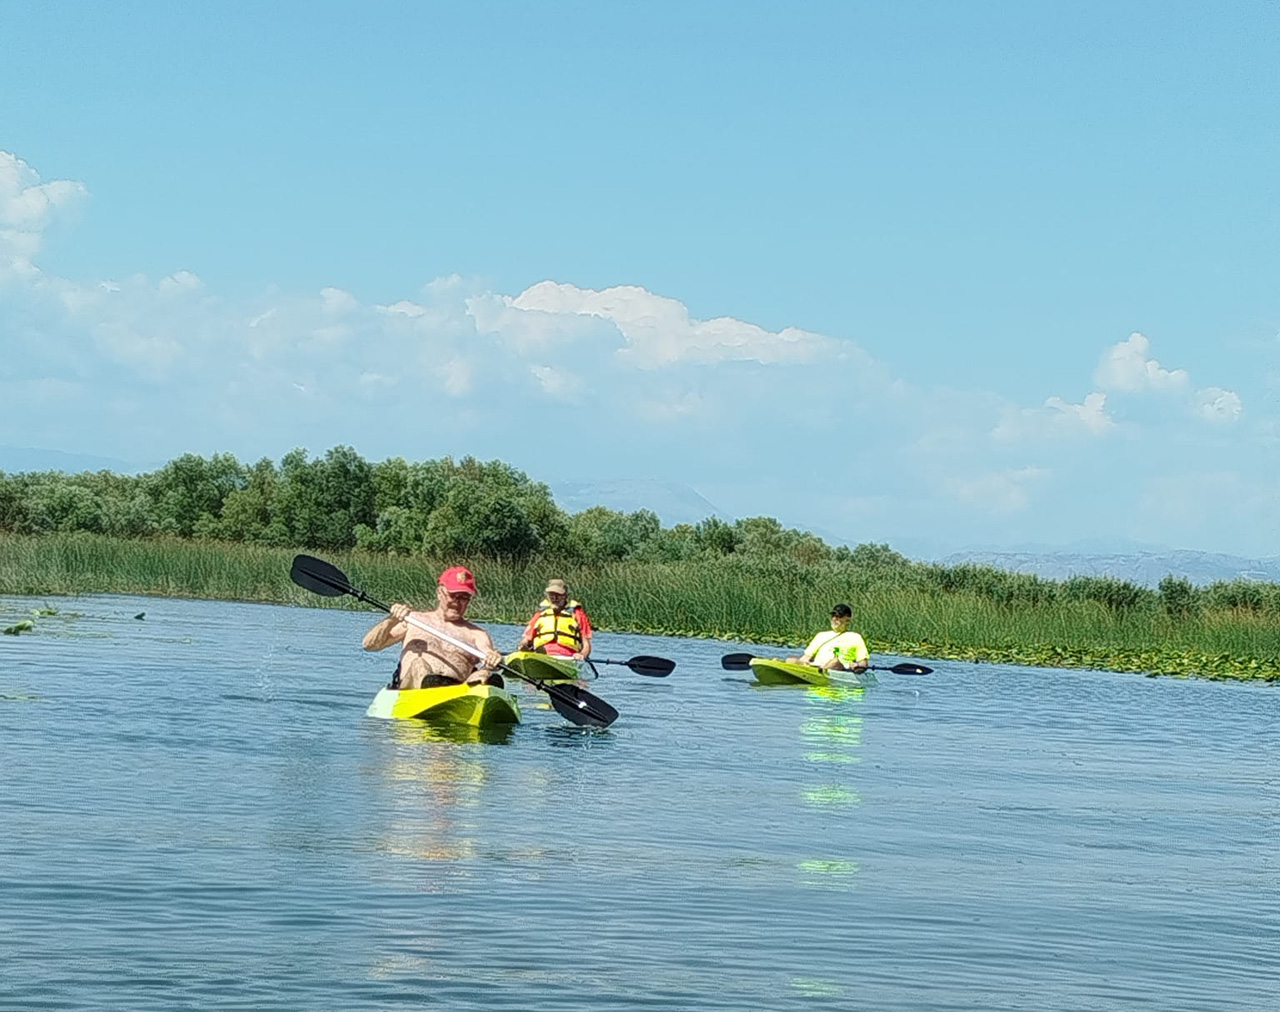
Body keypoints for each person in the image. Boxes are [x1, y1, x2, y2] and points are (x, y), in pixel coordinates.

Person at [362, 565, 505, 689]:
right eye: (453, 595)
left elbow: (490, 657)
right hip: (413, 689)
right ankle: (427, 691)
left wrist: (495, 660)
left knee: (483, 674)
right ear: (439, 593)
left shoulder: (477, 634)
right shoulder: (412, 619)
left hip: (457, 692)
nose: (457, 602)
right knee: (419, 665)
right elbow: (370, 645)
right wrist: (391, 619)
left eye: (463, 597)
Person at [516, 577, 593, 661]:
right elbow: (526, 639)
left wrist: (582, 654)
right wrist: (522, 646)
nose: (554, 598)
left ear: (565, 596)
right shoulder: (540, 614)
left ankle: (542, 657)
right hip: (541, 651)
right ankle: (537, 655)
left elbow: (586, 644)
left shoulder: (577, 613)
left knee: (543, 655)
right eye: (551, 594)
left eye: (558, 594)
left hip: (567, 657)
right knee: (528, 648)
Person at [791, 603, 869, 672]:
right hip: (815, 667)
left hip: (840, 668)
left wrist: (858, 667)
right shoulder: (821, 635)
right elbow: (806, 657)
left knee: (834, 661)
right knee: (791, 660)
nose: (835, 619)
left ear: (848, 620)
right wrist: (800, 663)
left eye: (839, 616)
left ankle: (822, 672)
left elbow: (863, 662)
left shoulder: (855, 637)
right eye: (833, 616)